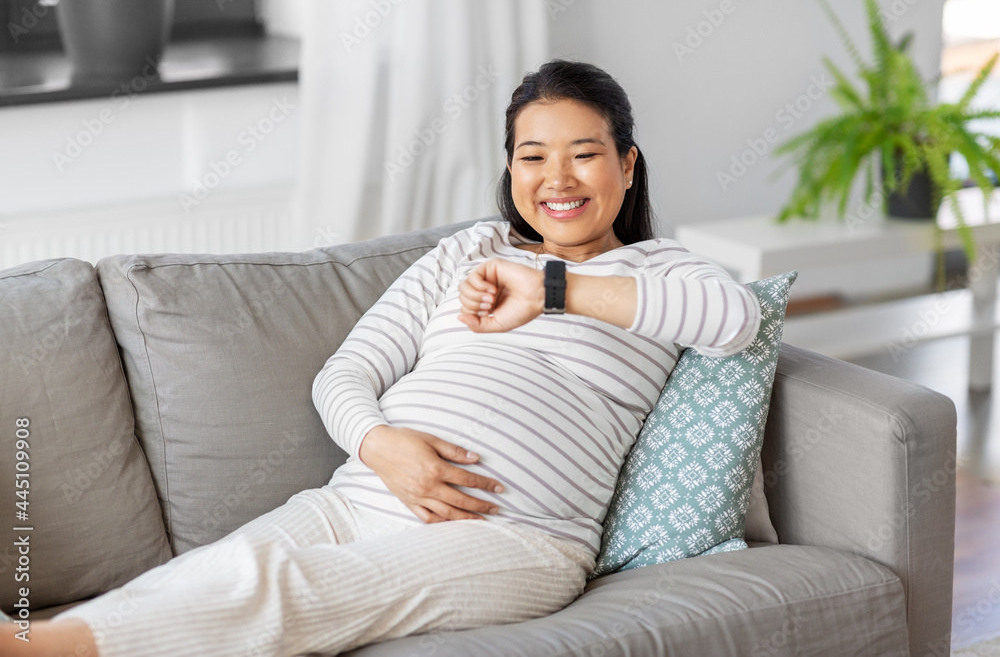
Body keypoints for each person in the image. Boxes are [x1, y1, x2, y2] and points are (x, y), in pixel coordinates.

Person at [1, 59, 760, 657]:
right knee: (195, 578)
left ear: (627, 166)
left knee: (279, 588)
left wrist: (551, 288)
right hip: (356, 498)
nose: (556, 179)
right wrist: (382, 445)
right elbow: (346, 373)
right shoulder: (470, 249)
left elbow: (734, 318)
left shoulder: (663, 271)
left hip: (515, 537)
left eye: (583, 154)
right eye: (533, 156)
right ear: (511, 171)